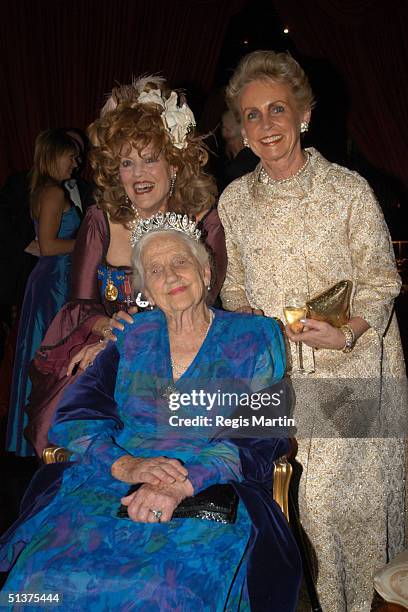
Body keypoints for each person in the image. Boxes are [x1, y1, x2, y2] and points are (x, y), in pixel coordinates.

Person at [0, 216, 301, 610]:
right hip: (111, 483)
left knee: (169, 590)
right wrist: (125, 465)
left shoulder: (256, 335)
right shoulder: (131, 335)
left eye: (180, 261)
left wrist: (182, 483)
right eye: (155, 270)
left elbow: (262, 427)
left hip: (210, 486)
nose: (170, 276)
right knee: (41, 579)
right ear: (146, 289)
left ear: (206, 270)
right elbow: (74, 419)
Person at [218, 50, 406, 611]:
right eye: (252, 114)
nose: (266, 124)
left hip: (354, 373)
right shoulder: (234, 201)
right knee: (291, 514)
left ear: (303, 114)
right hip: (278, 382)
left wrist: (344, 332)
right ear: (241, 128)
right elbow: (236, 293)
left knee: (342, 514)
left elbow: (381, 281)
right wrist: (254, 331)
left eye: (278, 108)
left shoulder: (348, 191)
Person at [25, 77, 226, 458]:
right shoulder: (101, 219)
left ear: (175, 162)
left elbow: (207, 307)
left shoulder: (204, 222)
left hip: (179, 360)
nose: (138, 174)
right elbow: (79, 304)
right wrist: (104, 327)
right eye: (126, 163)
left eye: (150, 159)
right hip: (106, 355)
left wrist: (129, 337)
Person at [6, 129, 81, 457]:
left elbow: (43, 244)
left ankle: (41, 431)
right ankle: (46, 432)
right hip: (55, 279)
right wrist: (91, 245)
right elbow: (49, 245)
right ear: (54, 155)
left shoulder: (45, 190)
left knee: (46, 351)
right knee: (52, 351)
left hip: (51, 276)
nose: (76, 163)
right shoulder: (52, 192)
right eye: (71, 156)